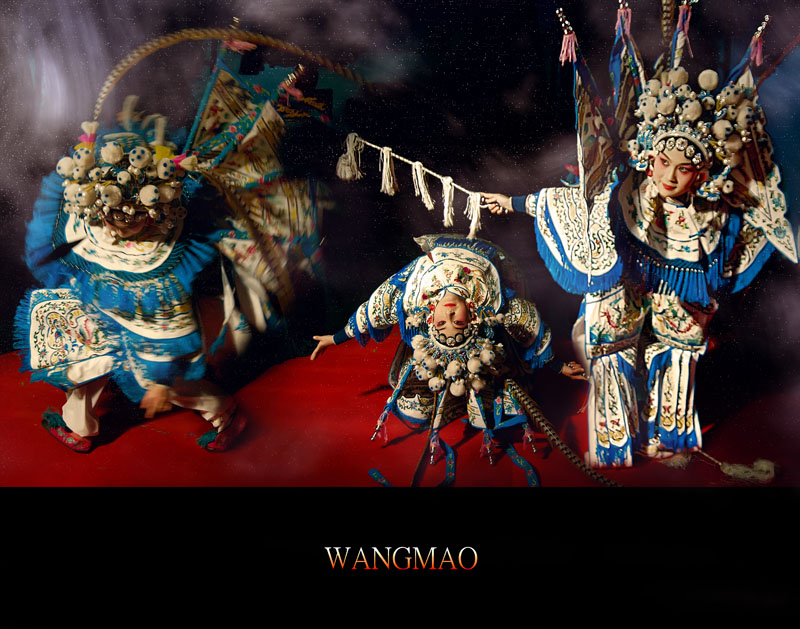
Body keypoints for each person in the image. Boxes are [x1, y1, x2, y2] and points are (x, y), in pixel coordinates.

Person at [481, 4, 797, 468]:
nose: (669, 176)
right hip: (624, 277)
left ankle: (670, 435)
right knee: (609, 340)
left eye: (683, 169)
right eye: (663, 163)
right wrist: (512, 202)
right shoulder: (623, 191)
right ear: (650, 157)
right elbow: (571, 201)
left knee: (681, 345)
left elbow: (751, 226)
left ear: (702, 173)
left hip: (678, 285)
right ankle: (616, 442)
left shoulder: (712, 215)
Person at [14, 116, 246, 453]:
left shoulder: (162, 261)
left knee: (165, 382)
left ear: (154, 211)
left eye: (134, 219)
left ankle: (225, 413)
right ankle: (77, 425)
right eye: (113, 217)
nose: (120, 226)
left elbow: (172, 326)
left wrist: (160, 382)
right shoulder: (92, 213)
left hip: (151, 332)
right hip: (104, 314)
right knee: (86, 356)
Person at [311, 234, 584, 485]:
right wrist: (559, 366)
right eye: (456, 323)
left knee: (475, 404)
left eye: (444, 323)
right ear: (471, 316)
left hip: (477, 299)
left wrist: (335, 339)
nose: (450, 316)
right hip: (479, 290)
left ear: (432, 318)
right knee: (417, 409)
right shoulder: (491, 304)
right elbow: (529, 327)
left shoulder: (416, 298)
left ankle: (467, 392)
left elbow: (376, 309)